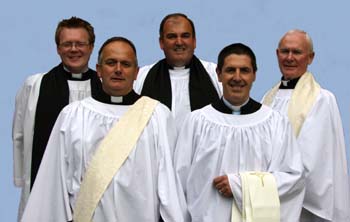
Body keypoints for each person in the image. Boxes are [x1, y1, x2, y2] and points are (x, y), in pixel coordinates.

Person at [21, 37, 185, 222]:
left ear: (136, 72)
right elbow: (53, 181)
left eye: (126, 64)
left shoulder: (157, 116)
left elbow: (169, 185)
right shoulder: (73, 115)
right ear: (99, 69)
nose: (118, 69)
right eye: (110, 63)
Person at [174, 43, 305, 221]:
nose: (237, 77)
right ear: (219, 74)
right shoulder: (197, 122)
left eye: (244, 70)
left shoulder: (275, 123)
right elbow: (178, 183)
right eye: (230, 70)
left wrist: (240, 185)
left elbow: (293, 178)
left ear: (254, 75)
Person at [12, 16, 101, 221]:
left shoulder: (104, 87)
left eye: (80, 43)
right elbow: (19, 135)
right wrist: (23, 180)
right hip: (44, 182)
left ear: (91, 47)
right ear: (58, 48)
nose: (73, 49)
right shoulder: (35, 85)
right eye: (67, 44)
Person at [262, 29, 350, 221]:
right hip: (269, 200)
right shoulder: (268, 99)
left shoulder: (321, 99)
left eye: (297, 52)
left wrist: (270, 185)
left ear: (310, 57)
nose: (290, 58)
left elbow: (313, 160)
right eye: (285, 51)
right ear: (277, 54)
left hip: (302, 206)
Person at [134, 13, 222, 131]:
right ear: (161, 43)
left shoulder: (216, 75)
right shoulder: (142, 77)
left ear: (194, 41)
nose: (179, 42)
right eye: (172, 36)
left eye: (185, 36)